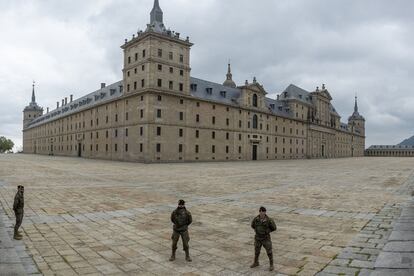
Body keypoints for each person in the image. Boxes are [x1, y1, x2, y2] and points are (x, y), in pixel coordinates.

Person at [250, 206, 277, 271]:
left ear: (265, 212)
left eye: (263, 212)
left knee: (269, 252)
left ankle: (271, 265)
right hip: (258, 238)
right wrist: (257, 230)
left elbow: (274, 228)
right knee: (257, 251)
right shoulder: (256, 219)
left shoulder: (269, 220)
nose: (261, 213)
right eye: (260, 212)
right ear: (259, 212)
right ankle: (256, 262)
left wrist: (267, 231)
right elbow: (252, 225)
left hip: (266, 238)